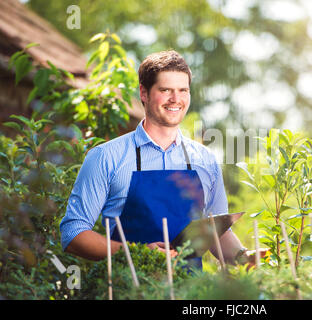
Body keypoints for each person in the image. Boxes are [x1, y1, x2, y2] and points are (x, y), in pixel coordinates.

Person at [60, 50, 264, 270]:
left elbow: (217, 234)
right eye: (165, 90)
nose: (176, 99)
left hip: (190, 295)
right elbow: (73, 234)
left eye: (183, 90)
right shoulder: (106, 157)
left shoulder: (205, 160)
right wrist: (136, 252)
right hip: (130, 291)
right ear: (144, 93)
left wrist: (243, 256)